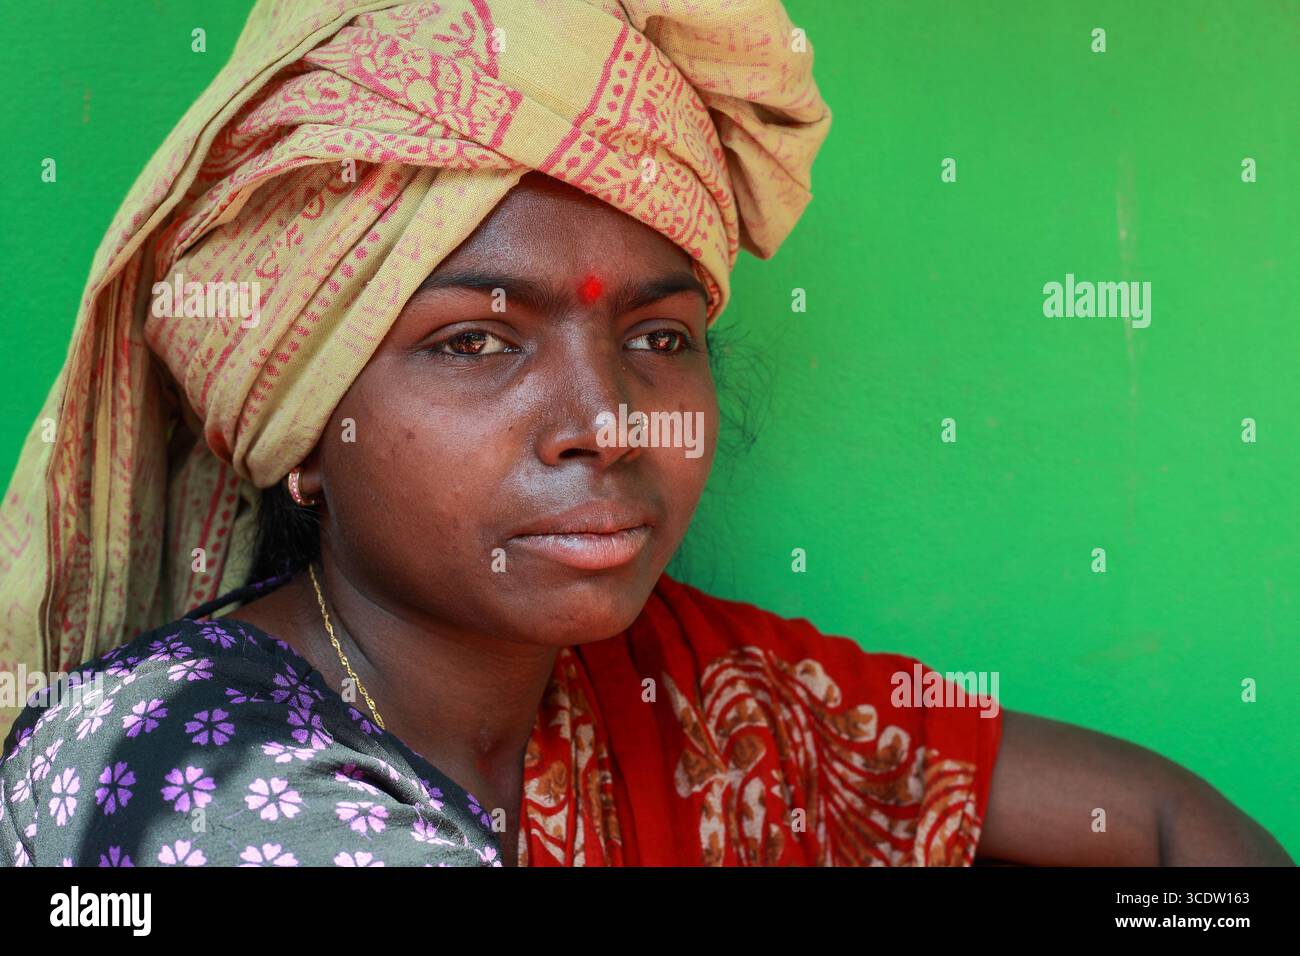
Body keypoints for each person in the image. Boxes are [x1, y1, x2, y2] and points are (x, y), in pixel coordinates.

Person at [0, 0, 1291, 867]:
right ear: (292, 425)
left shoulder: (695, 691)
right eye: (478, 343)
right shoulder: (176, 771)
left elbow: (1169, 822)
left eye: (659, 339)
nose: (610, 420)